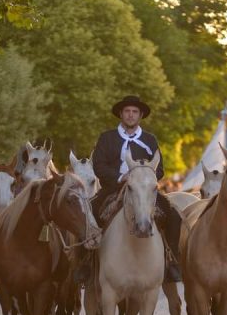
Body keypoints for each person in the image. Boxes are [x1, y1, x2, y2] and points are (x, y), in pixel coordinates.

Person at [74, 95, 182, 284]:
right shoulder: (107, 138)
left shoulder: (149, 139)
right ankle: (85, 263)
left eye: (134, 112)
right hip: (113, 188)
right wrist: (119, 177)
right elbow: (99, 165)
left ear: (140, 115)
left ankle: (171, 261)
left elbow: (160, 169)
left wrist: (144, 179)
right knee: (89, 211)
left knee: (173, 215)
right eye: (127, 112)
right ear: (121, 114)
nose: (131, 115)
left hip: (143, 190)